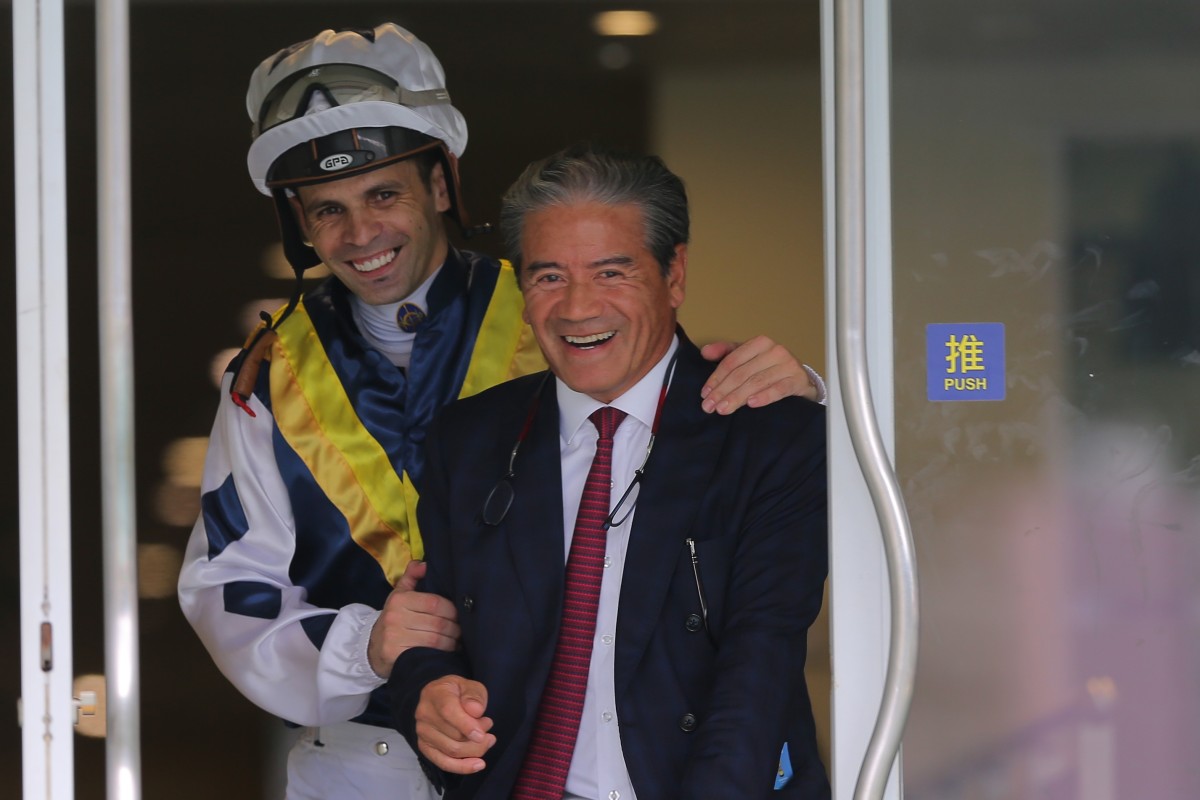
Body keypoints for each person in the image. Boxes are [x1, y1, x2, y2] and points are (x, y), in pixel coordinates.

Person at [177, 23, 824, 800]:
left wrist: (807, 390)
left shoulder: (553, 302)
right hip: (363, 760)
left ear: (440, 185)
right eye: (326, 210)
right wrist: (366, 647)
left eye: (384, 194)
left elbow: (691, 414)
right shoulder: (269, 374)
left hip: (565, 751)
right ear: (299, 224)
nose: (361, 233)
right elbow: (227, 587)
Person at [388, 143, 829, 799]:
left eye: (611, 273)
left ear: (674, 274)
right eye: (548, 277)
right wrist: (425, 691)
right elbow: (436, 629)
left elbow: (759, 664)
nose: (577, 308)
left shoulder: (768, 434)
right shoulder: (470, 439)